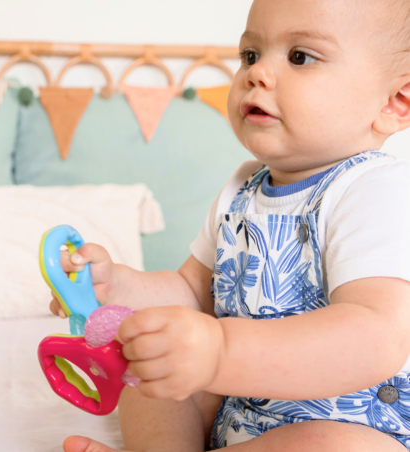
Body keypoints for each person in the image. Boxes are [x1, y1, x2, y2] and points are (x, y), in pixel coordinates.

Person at [51, 0, 410, 450]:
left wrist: (219, 351)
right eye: (250, 55)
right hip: (241, 408)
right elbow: (190, 292)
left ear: (394, 104)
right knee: (144, 365)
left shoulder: (376, 189)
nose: (257, 74)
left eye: (300, 57)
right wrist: (114, 287)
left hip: (356, 420)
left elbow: (376, 336)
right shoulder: (241, 189)